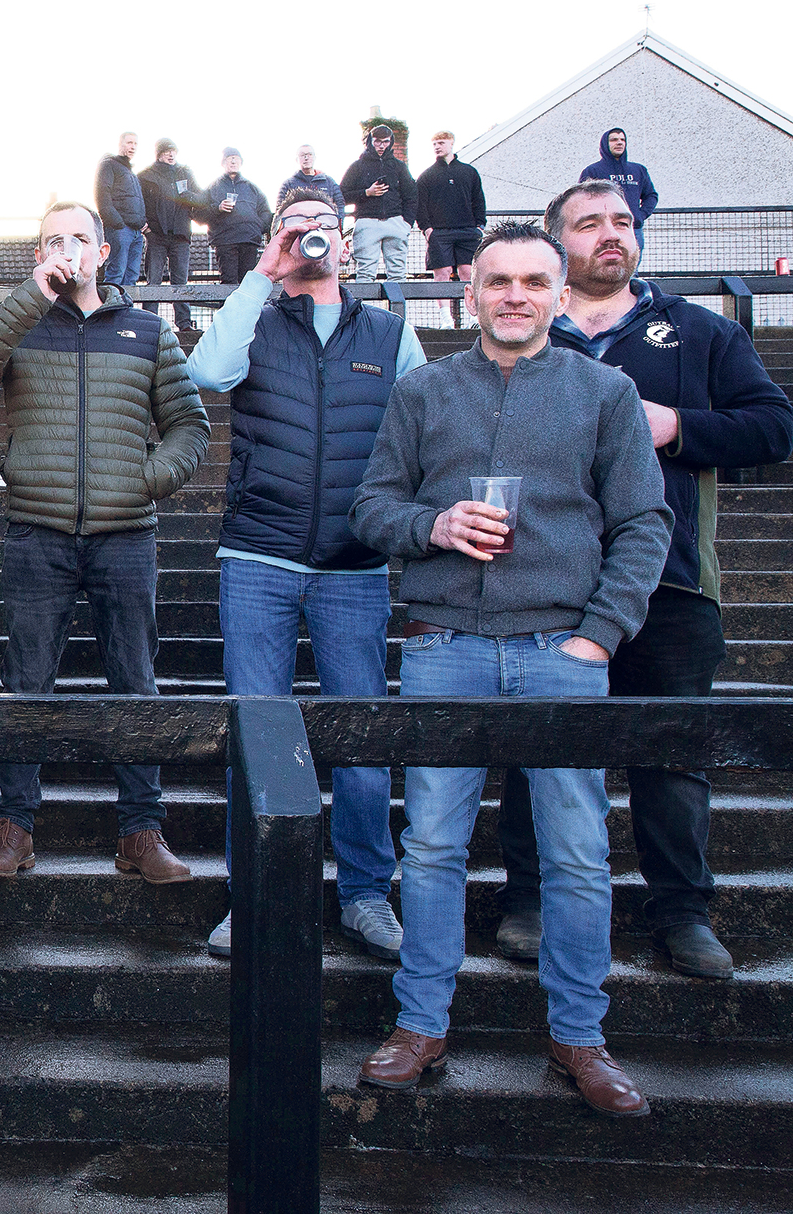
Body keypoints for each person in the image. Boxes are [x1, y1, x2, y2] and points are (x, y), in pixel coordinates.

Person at [349, 221, 671, 1118]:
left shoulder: (605, 392)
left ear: (561, 296)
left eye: (535, 281)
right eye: (499, 282)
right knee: (433, 847)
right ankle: (421, 1023)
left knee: (576, 857)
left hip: (561, 651)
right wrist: (434, 527)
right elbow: (372, 507)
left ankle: (579, 1038)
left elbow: (644, 523)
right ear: (470, 295)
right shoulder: (422, 391)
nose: (516, 296)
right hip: (444, 648)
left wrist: (600, 637)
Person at [487, 181, 793, 981]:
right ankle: (530, 900)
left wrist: (680, 426)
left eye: (623, 222)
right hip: (545, 590)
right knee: (536, 752)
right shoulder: (525, 336)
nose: (611, 235)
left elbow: (774, 427)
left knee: (674, 755)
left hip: (673, 583)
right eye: (589, 225)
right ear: (557, 247)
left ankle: (682, 912)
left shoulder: (697, 332)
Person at [184, 189, 427, 961]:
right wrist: (264, 270)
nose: (312, 240)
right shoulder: (255, 313)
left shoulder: (389, 330)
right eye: (298, 227)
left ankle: (363, 895)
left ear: (346, 241)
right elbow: (206, 373)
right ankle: (251, 895)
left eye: (325, 228)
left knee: (358, 733)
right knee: (256, 732)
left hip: (355, 563)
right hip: (258, 553)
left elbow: (424, 424)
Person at [0, 202, 210, 883]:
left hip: (126, 537)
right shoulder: (21, 326)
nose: (67, 249)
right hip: (38, 530)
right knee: (26, 683)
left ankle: (141, 831)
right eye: (51, 239)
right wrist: (29, 295)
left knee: (135, 685)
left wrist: (150, 478)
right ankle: (14, 826)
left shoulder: (147, 331)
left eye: (79, 239)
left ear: (103, 251)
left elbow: (189, 424)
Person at [416, 132, 485, 326]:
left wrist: (479, 225)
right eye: (435, 143)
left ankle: (473, 317)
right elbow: (420, 205)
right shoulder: (427, 176)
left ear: (452, 143)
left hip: (467, 231)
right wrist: (427, 229)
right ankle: (446, 319)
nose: (438, 146)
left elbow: (478, 199)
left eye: (441, 143)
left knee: (468, 272)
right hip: (440, 232)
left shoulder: (468, 172)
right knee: (442, 273)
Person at [341, 126, 418, 284]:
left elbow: (411, 196)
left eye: (385, 142)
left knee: (398, 274)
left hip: (395, 222)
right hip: (367, 222)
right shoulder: (357, 166)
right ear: (370, 141)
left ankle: (397, 310)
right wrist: (366, 193)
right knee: (365, 273)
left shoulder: (399, 167)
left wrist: (406, 223)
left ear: (391, 142)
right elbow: (341, 196)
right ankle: (363, 310)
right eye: (377, 142)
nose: (381, 146)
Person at [139, 138, 201, 328]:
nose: (171, 154)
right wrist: (146, 229)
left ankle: (184, 323)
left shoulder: (185, 172)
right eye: (167, 151)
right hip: (156, 236)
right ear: (159, 153)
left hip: (181, 236)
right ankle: (150, 323)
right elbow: (138, 204)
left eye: (173, 150)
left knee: (181, 282)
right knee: (153, 282)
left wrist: (189, 197)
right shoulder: (145, 176)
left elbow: (200, 197)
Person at [200, 149, 271, 289]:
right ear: (223, 163)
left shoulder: (252, 188)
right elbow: (199, 214)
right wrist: (217, 208)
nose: (233, 161)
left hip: (249, 241)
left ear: (241, 162)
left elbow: (266, 212)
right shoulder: (212, 187)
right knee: (228, 285)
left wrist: (257, 228)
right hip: (225, 242)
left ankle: (247, 312)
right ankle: (230, 311)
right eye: (229, 158)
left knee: (247, 285)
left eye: (236, 158)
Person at [579, 128, 659, 252]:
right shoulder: (592, 171)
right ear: (605, 144)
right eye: (614, 140)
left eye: (622, 139)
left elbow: (651, 195)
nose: (619, 142)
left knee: (631, 269)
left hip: (632, 229)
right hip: (603, 230)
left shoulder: (638, 170)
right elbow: (583, 199)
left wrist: (640, 215)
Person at [96, 133, 148, 287]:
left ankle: (125, 310)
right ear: (120, 144)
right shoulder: (109, 164)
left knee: (132, 276)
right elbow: (102, 194)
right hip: (120, 229)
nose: (133, 147)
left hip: (136, 232)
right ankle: (110, 310)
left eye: (135, 144)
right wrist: (117, 223)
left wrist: (142, 222)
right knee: (116, 272)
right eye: (129, 143)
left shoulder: (130, 171)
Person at [278, 146, 344, 212]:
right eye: (302, 155)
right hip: (299, 221)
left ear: (315, 157)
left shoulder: (329, 182)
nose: (306, 158)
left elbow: (340, 203)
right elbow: (280, 209)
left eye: (309, 154)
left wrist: (338, 221)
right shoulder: (288, 184)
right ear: (296, 159)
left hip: (324, 220)